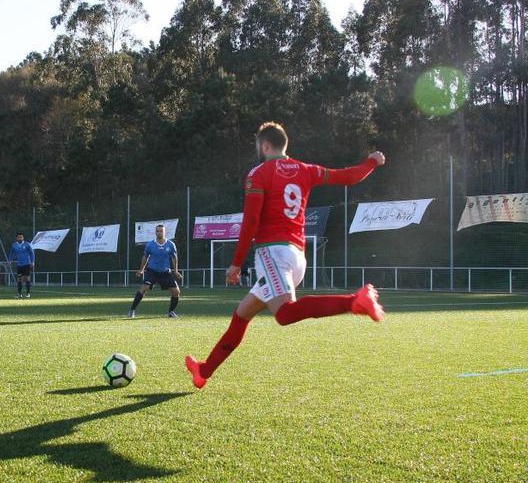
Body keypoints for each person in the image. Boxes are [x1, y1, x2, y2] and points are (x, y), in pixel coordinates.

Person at [185, 122, 386, 389]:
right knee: (241, 314)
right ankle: (204, 371)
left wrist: (236, 263)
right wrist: (371, 162)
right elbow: (347, 176)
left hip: (272, 253)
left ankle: (354, 302)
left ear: (265, 145)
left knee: (284, 314)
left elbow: (252, 220)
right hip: (297, 256)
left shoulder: (258, 173)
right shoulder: (306, 170)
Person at [127, 225, 182, 318]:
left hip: (165, 272)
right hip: (152, 271)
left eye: (161, 231)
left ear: (165, 232)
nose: (159, 233)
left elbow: (174, 257)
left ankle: (171, 312)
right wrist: (141, 270)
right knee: (144, 289)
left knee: (176, 292)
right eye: (158, 231)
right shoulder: (150, 245)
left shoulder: (171, 244)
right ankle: (132, 310)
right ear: (155, 232)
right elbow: (145, 257)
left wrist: (176, 271)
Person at [8, 232, 35, 298]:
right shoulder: (14, 245)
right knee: (19, 279)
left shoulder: (27, 244)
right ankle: (19, 294)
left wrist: (33, 261)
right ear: (16, 238)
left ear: (23, 238)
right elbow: (11, 253)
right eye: (19, 237)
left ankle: (28, 293)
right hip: (19, 265)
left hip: (27, 264)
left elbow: (32, 253)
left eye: (21, 237)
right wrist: (10, 260)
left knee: (27, 279)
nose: (20, 238)